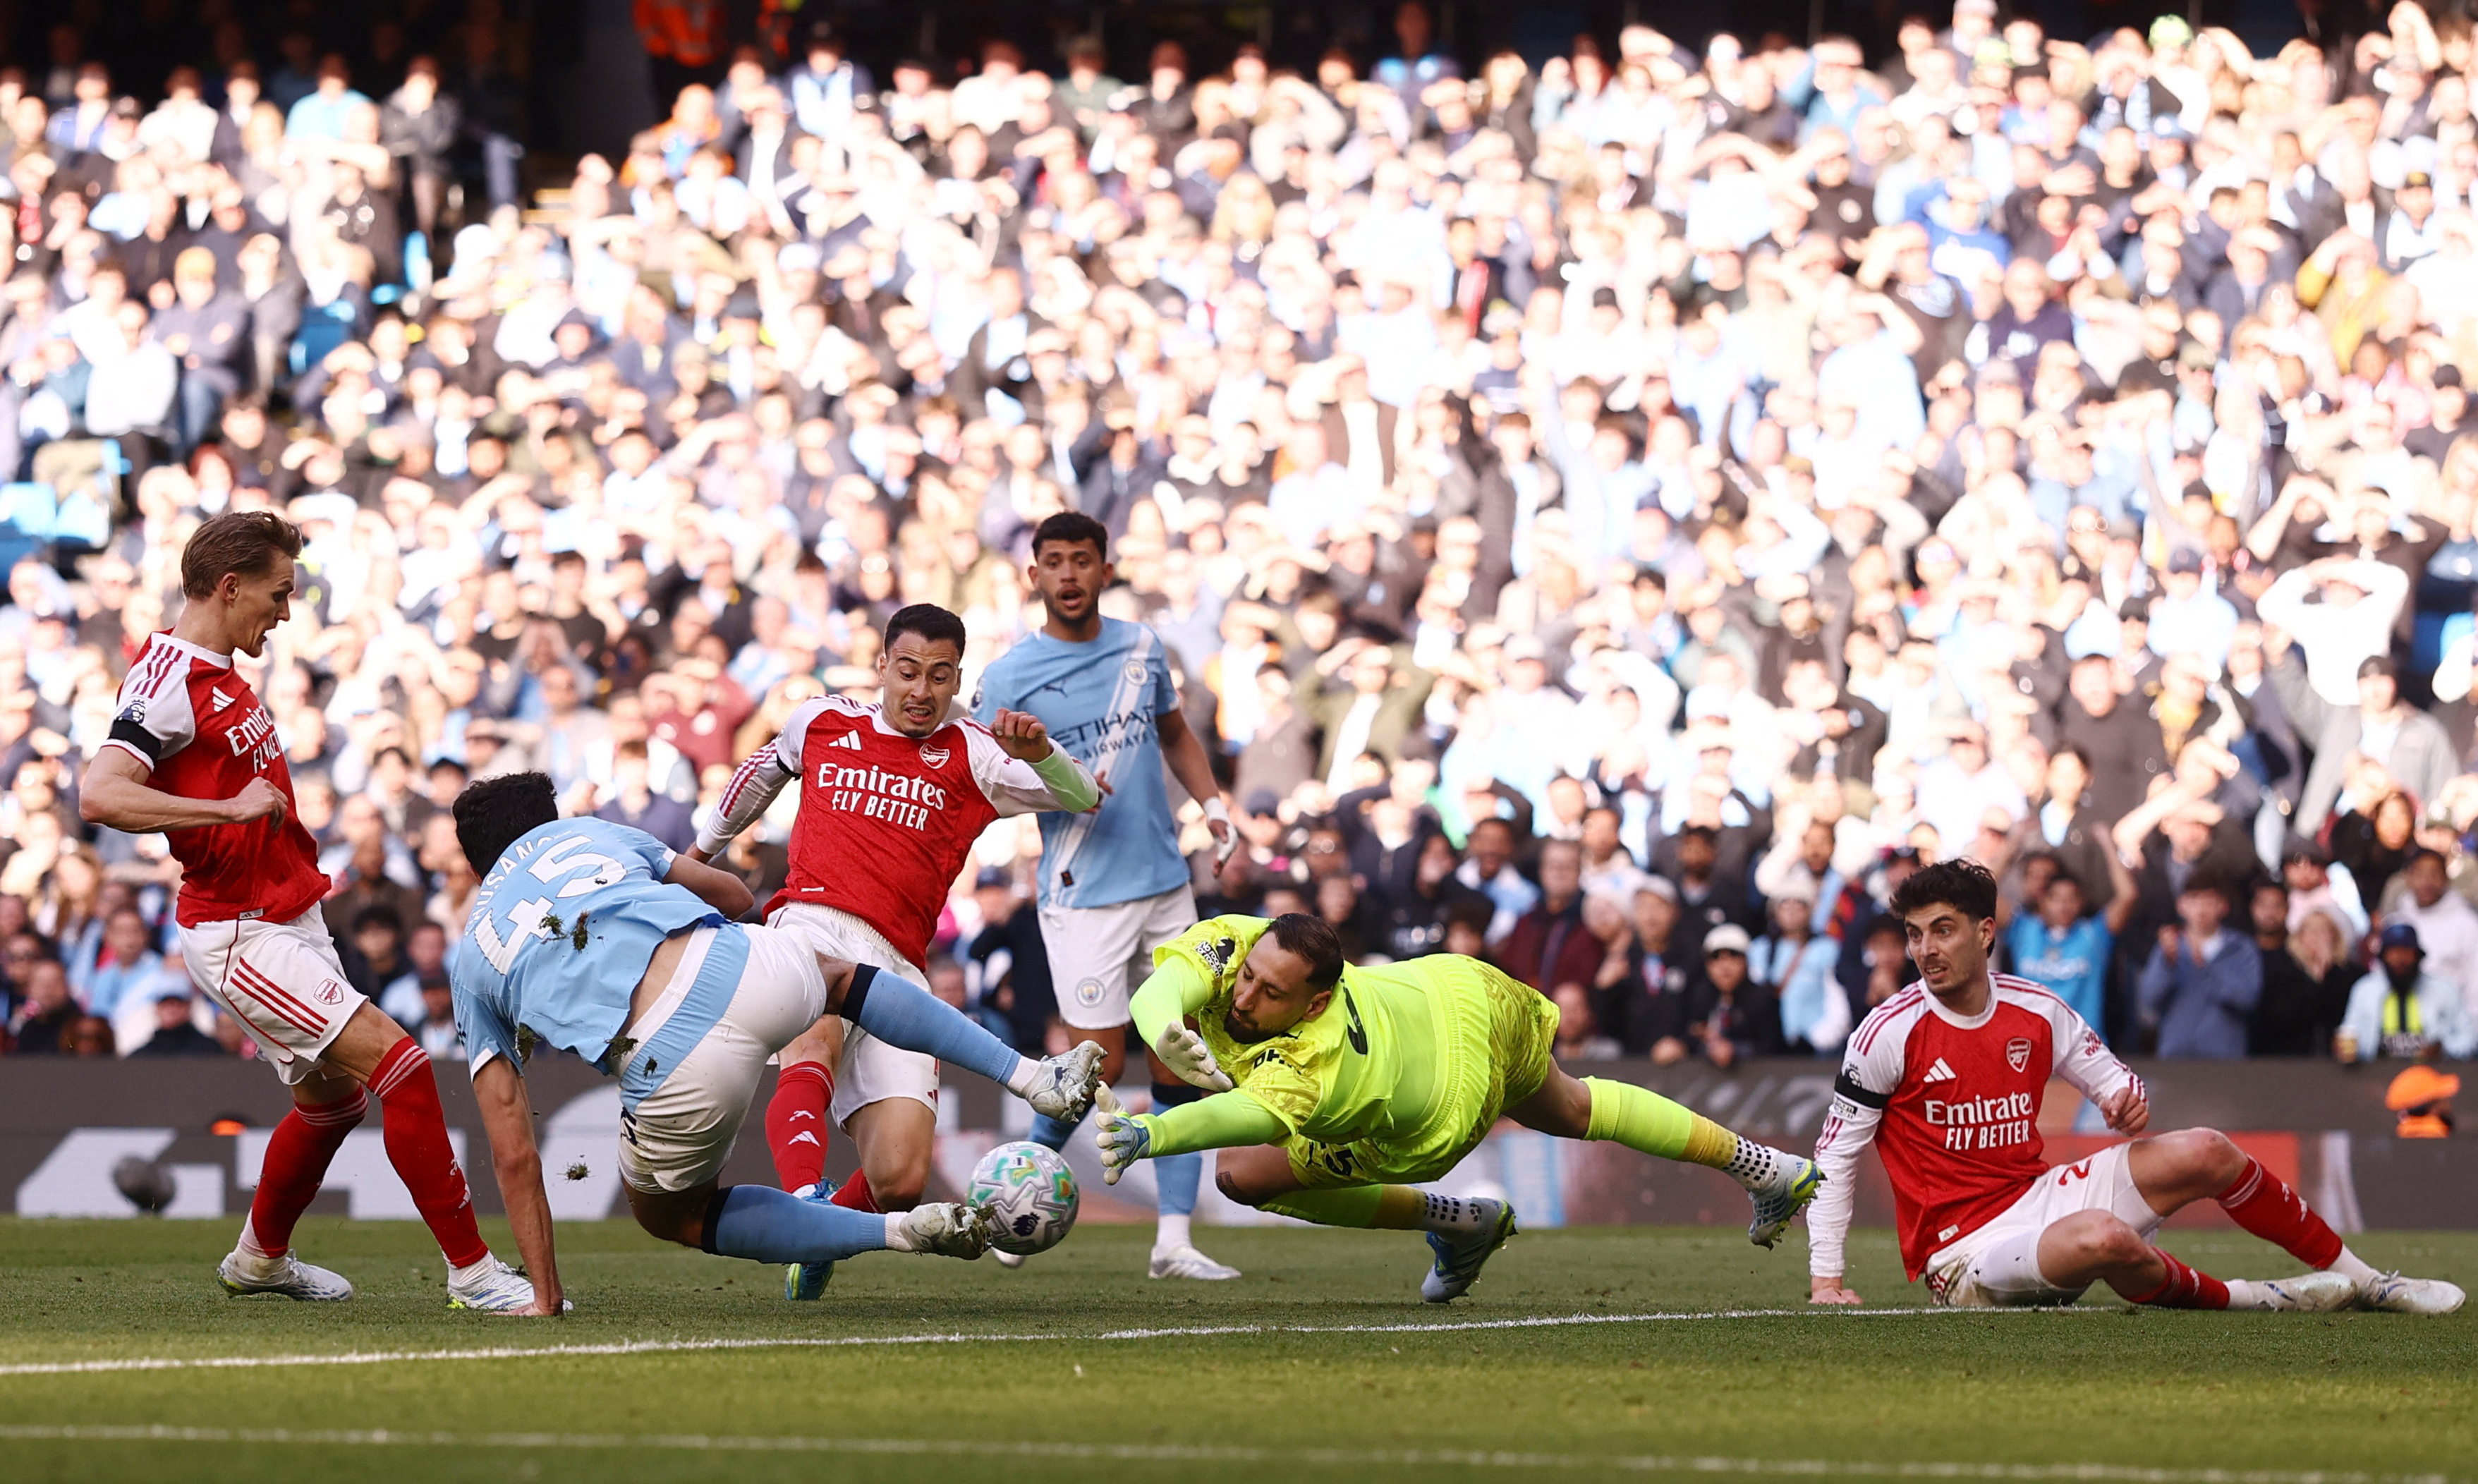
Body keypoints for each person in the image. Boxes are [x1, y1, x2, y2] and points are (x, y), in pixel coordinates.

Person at [77, 511, 537, 1312]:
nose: (285, 612)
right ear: (229, 586)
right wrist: (224, 814)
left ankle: (259, 1260)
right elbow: (99, 791)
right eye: (277, 593)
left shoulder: (215, 668)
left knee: (333, 1104)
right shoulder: (168, 684)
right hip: (242, 931)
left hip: (289, 912)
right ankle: (473, 1271)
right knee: (404, 1070)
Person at [446, 772, 1111, 1312]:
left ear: (478, 867)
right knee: (840, 978)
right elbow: (731, 891)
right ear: (550, 820)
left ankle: (897, 1232)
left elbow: (511, 1149)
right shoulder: (590, 835)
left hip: (669, 1062)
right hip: (736, 958)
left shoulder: (472, 956)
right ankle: (1033, 1077)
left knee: (673, 1214)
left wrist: (545, 1294)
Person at [1808, 858, 2458, 1314]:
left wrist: (2125, 1097)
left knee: (2205, 1147)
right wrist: (1826, 1277)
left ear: (1984, 932)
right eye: (1914, 934)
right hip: (1961, 1257)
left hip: (2034, 1199)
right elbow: (1835, 1156)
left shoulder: (2036, 1008)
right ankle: (2255, 1296)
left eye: (1942, 929)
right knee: (2103, 1236)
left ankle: (2370, 1284)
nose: (1924, 949)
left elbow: (2111, 1078)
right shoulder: (1887, 1031)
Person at [688, 602, 1105, 1301]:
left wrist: (1041, 753)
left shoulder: (975, 751)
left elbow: (1083, 794)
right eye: (908, 671)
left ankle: (818, 1240)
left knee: (900, 1179)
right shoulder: (824, 721)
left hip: (898, 964)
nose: (921, 689)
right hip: (809, 923)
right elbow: (758, 775)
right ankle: (808, 1205)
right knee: (813, 1034)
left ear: (957, 680)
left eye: (939, 677)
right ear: (881, 665)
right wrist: (697, 855)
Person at [1089, 912, 1823, 1302]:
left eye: (1270, 993)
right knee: (1571, 1106)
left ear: (1315, 1003)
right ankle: (1766, 1167)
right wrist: (1161, 1026)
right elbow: (1162, 987)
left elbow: (1242, 1119)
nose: (1245, 997)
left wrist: (1152, 1133)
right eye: (1247, 976)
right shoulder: (1239, 939)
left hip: (1448, 1099)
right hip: (1465, 991)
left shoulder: (1314, 1063)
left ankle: (1460, 1222)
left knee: (1242, 1175)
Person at [971, 512, 1241, 1281]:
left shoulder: (1142, 646)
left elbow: (1175, 730)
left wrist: (1213, 805)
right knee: (1097, 1064)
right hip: (1082, 891)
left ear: (1104, 568)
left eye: (1080, 560)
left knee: (1180, 1053)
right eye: (1052, 561)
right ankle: (1010, 1204)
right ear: (1033, 576)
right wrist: (1041, 769)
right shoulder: (1009, 675)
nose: (1067, 574)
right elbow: (986, 784)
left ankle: (1175, 1240)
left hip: (1163, 881)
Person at [2136, 875, 2263, 1059]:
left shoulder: (2241, 948)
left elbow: (2248, 998)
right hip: (2175, 1056)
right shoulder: (2170, 947)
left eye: (2209, 902)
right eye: (2194, 901)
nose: (2201, 910)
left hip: (2226, 1058)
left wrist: (2206, 969)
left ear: (2223, 906)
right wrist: (2166, 964)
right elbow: (2149, 1000)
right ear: (2181, 906)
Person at [2340, 923, 2478, 1063]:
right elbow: (2349, 1033)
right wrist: (2346, 1049)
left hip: (2430, 1076)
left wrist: (2444, 1049)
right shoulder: (2364, 990)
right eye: (2393, 952)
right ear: (2383, 957)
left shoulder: (2444, 990)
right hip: (2375, 1077)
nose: (2400, 959)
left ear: (2417, 956)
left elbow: (2470, 1038)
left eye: (2406, 952)